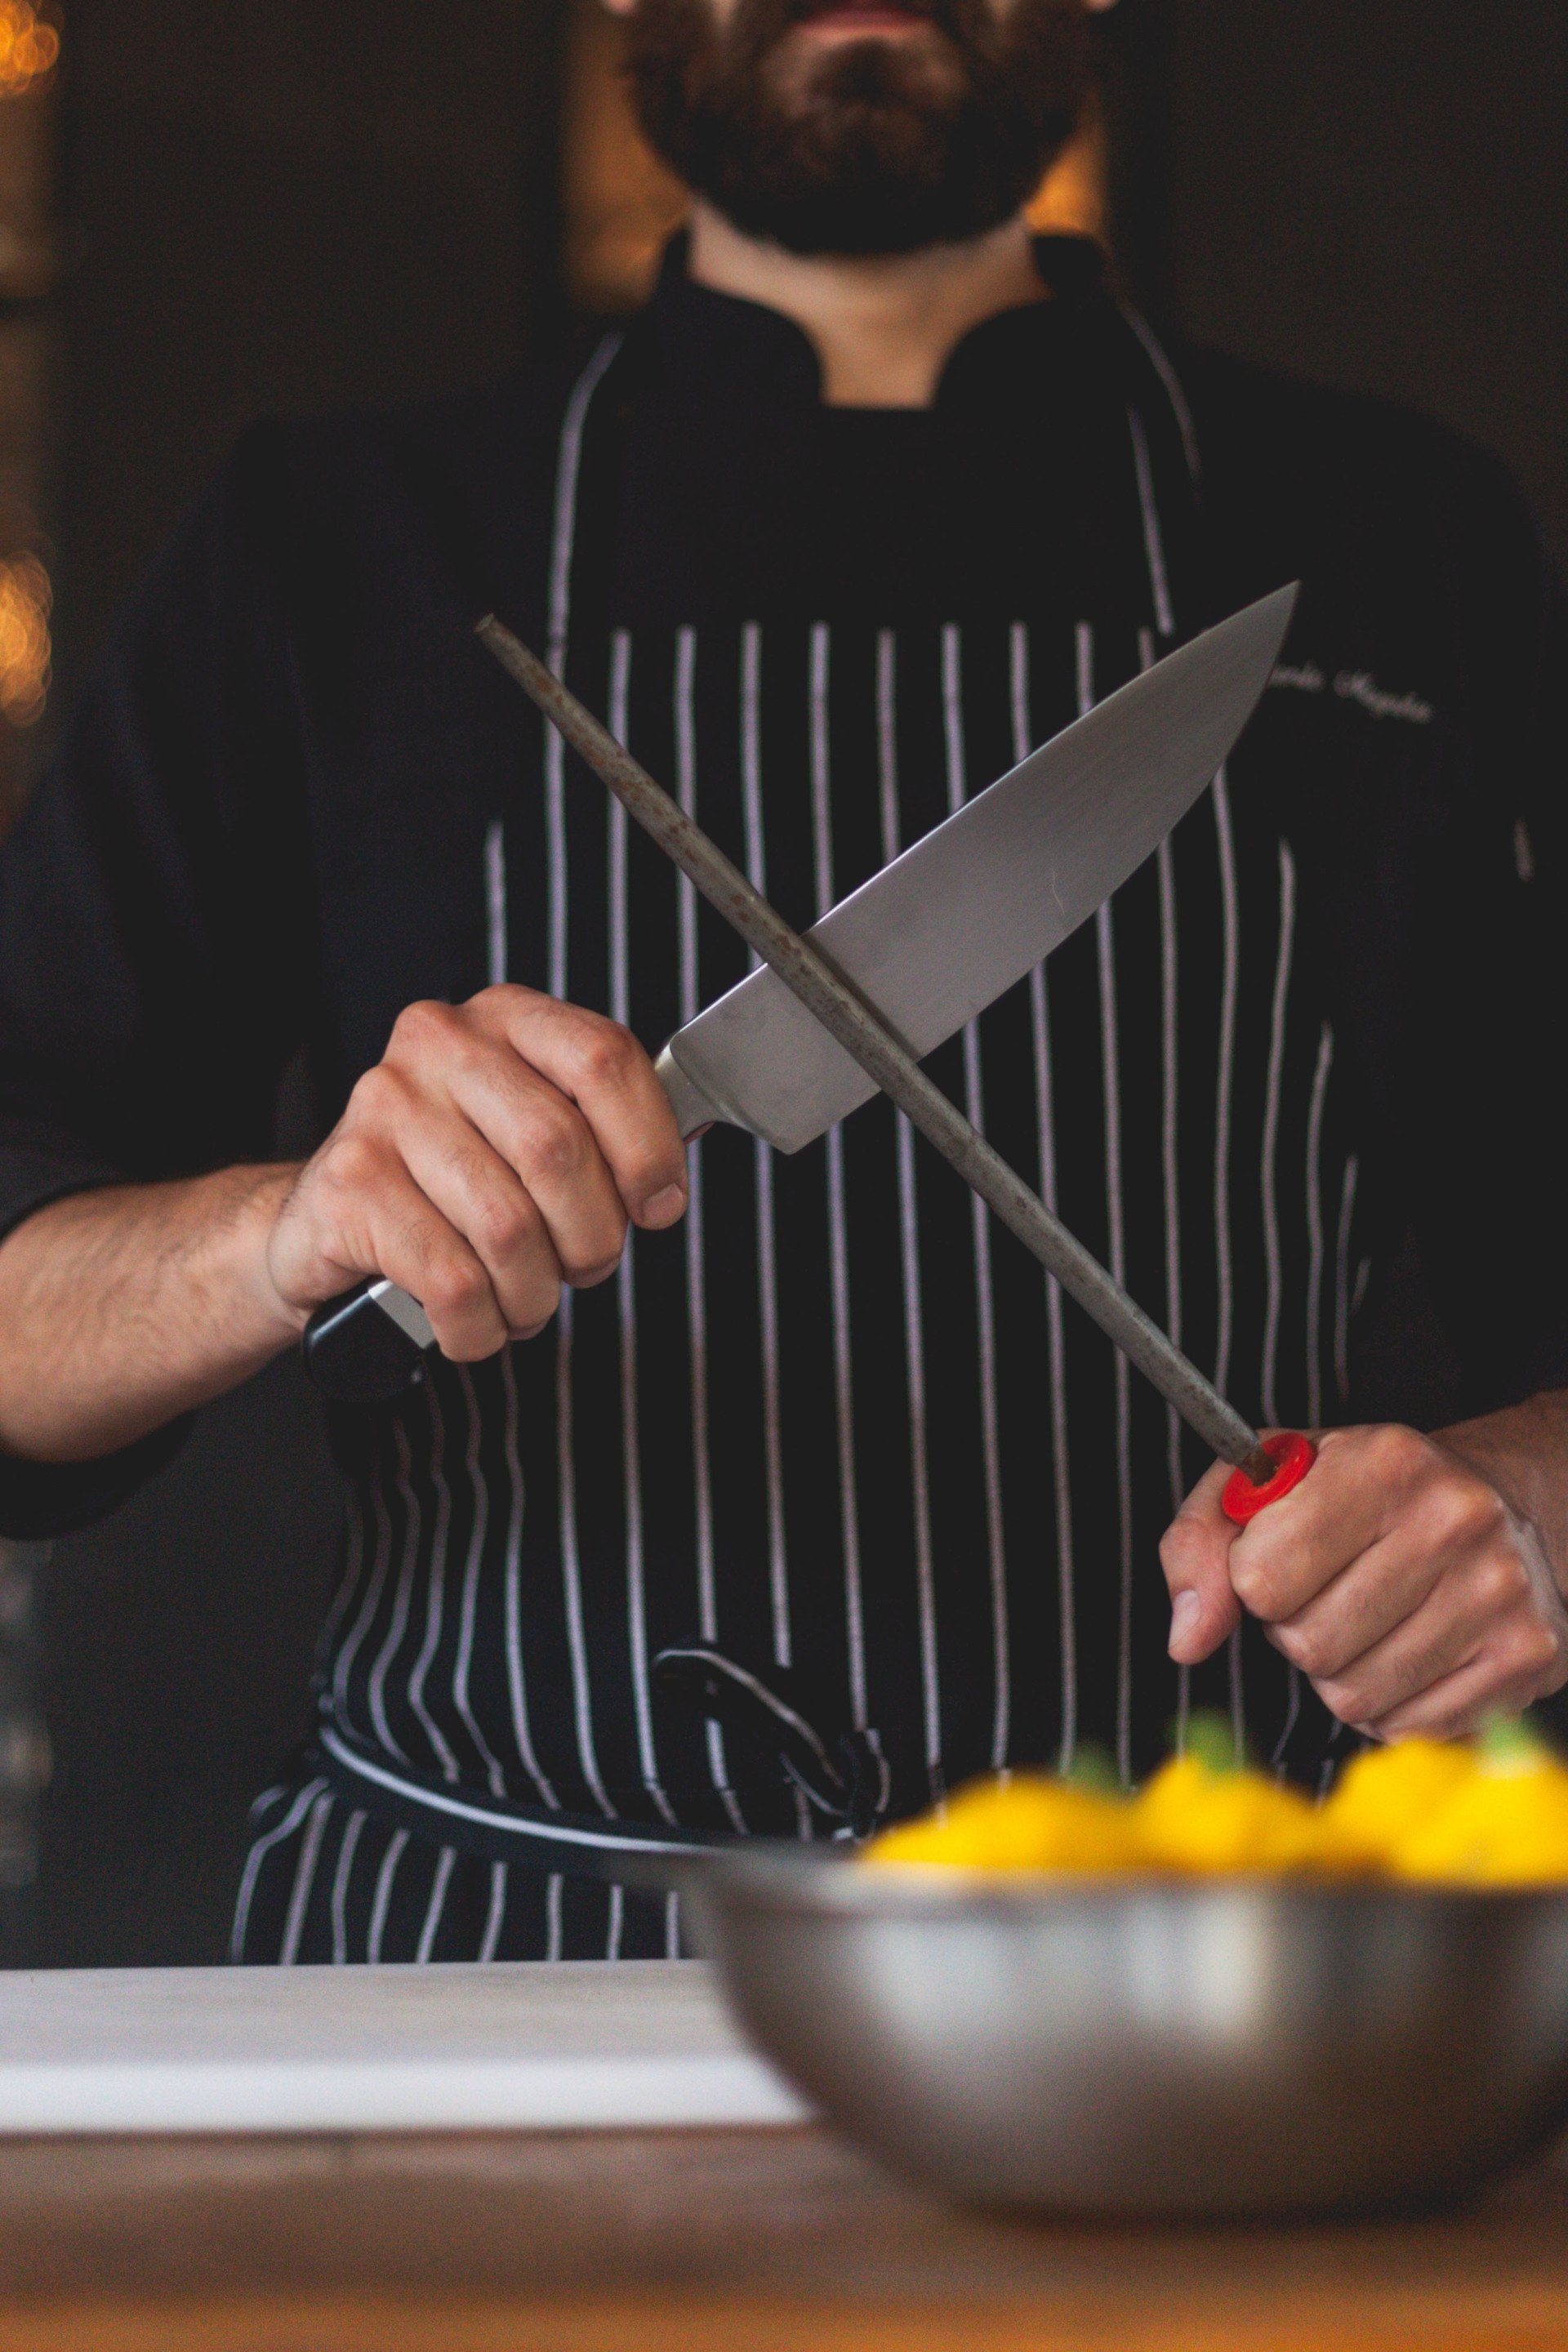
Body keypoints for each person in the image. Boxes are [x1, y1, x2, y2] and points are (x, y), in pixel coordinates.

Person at [1, 0, 1565, 1963]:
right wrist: (290, 1232)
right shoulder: (341, 548)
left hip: (1182, 1975)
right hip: (482, 1955)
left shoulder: (1399, 545)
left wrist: (1527, 1513)